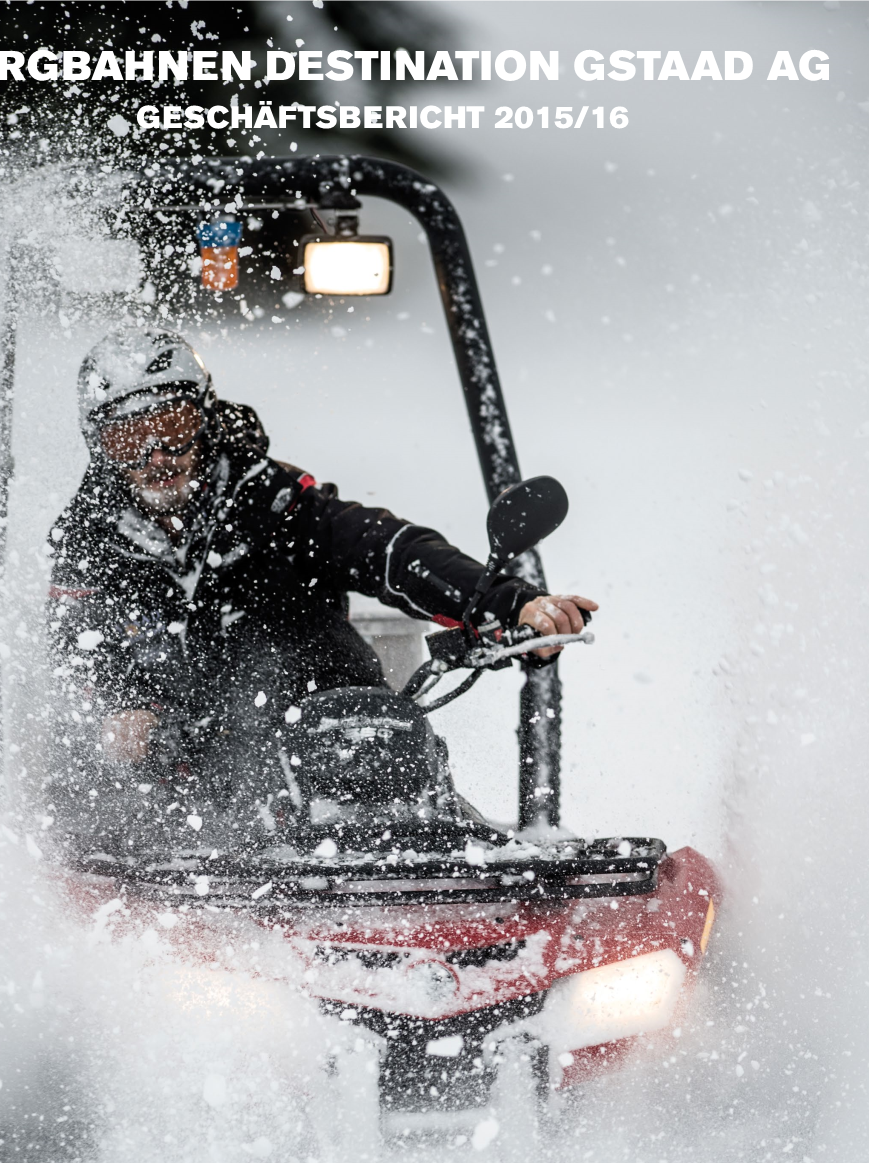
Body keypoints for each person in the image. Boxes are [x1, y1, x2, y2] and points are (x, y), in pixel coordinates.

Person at [45, 327, 596, 845]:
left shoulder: (276, 503)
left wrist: (510, 603)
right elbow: (79, 648)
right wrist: (127, 712)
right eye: (130, 439)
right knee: (94, 793)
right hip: (186, 780)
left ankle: (471, 896)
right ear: (101, 447)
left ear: (205, 420)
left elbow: (388, 550)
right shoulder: (90, 544)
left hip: (333, 735)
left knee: (402, 769)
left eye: (171, 429)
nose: (157, 457)